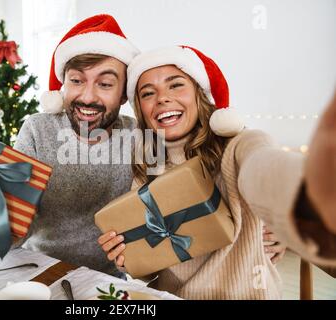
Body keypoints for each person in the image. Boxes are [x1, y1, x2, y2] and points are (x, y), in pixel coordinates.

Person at [0, 14, 140, 276]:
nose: (87, 97)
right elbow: (16, 229)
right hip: (37, 268)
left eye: (105, 84)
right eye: (76, 80)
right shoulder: (38, 129)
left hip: (107, 278)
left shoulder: (138, 138)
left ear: (123, 93)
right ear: (63, 84)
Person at [98, 45, 336, 298]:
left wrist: (307, 204)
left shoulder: (240, 145)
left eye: (175, 85)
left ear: (200, 95)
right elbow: (152, 267)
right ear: (141, 111)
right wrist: (127, 258)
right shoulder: (145, 170)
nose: (162, 98)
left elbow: (265, 169)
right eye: (148, 93)